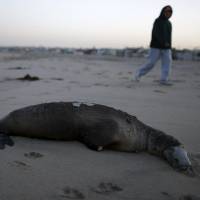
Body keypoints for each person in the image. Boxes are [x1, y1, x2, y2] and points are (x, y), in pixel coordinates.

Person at [135, 5, 173, 85]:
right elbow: (156, 33)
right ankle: (138, 73)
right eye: (166, 11)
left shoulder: (169, 23)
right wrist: (163, 42)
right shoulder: (157, 21)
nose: (168, 13)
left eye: (170, 11)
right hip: (156, 46)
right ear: (163, 12)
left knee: (167, 62)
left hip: (166, 47)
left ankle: (164, 80)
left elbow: (169, 36)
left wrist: (169, 45)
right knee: (151, 63)